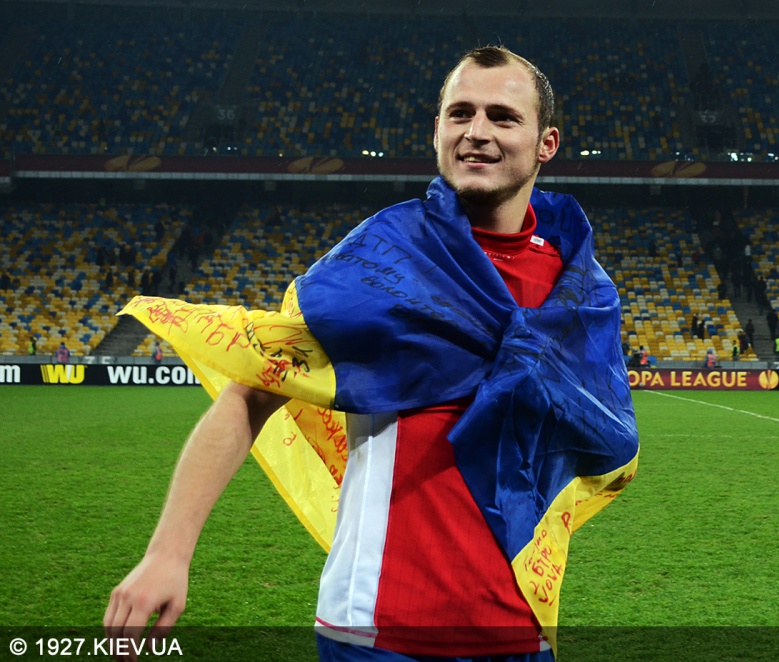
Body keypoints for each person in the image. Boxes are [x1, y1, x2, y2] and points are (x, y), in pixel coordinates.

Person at [104, 46, 639, 662]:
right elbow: (250, 393)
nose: (476, 131)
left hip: (522, 632)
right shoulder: (384, 259)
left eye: (502, 116)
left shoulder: (580, 292)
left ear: (546, 143)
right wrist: (168, 553)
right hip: (377, 630)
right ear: (437, 131)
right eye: (460, 113)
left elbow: (605, 438)